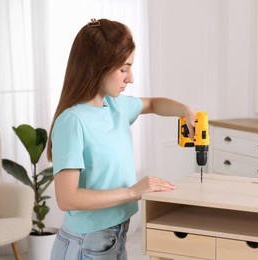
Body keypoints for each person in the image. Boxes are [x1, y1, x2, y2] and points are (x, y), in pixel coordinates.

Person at [47, 18, 196, 260]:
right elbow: (67, 198)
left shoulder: (115, 106)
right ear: (98, 67)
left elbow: (153, 103)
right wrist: (133, 191)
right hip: (86, 243)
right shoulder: (73, 121)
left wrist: (186, 110)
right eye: (123, 69)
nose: (131, 78)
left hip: (115, 234)